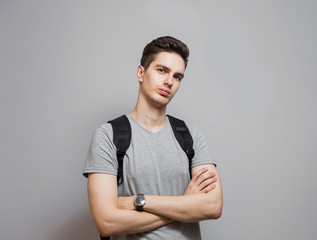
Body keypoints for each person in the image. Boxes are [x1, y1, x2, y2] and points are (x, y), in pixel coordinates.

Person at [83, 36, 223, 239]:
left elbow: (213, 206)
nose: (169, 81)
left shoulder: (191, 136)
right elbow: (107, 223)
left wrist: (139, 201)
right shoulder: (108, 136)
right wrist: (184, 204)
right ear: (141, 72)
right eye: (162, 70)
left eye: (177, 77)